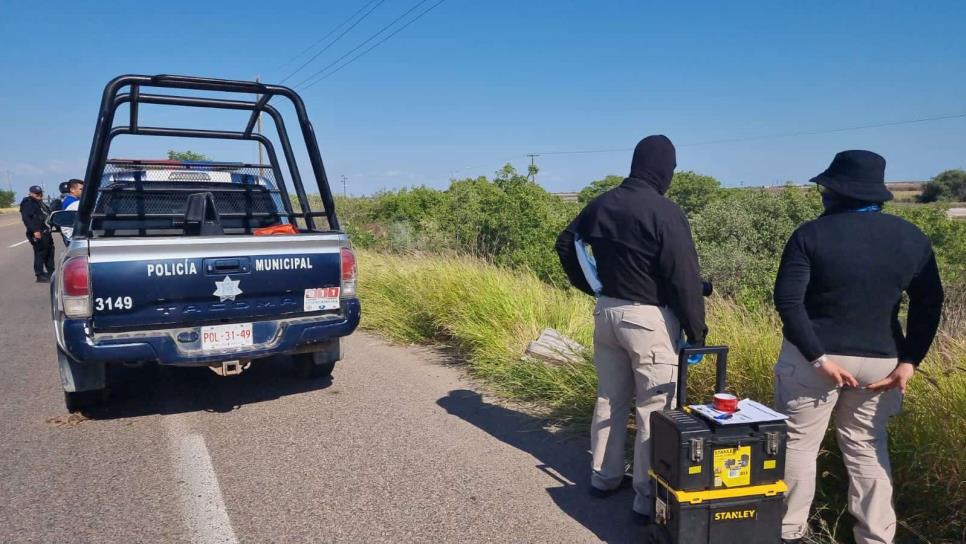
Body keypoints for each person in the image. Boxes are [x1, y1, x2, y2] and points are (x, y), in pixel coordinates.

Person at [773, 150, 944, 544]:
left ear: (835, 191)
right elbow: (929, 303)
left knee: (799, 444)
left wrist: (818, 358)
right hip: (883, 361)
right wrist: (910, 360)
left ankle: (788, 530)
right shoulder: (912, 238)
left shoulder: (810, 234)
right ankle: (875, 536)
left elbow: (788, 302)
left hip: (816, 357)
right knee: (866, 446)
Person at [555, 135, 707, 523]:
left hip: (606, 313)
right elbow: (683, 277)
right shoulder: (665, 211)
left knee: (611, 398)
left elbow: (565, 242)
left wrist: (591, 285)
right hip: (648, 321)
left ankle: (603, 477)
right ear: (664, 168)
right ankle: (644, 498)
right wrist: (697, 330)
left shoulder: (602, 203)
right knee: (655, 409)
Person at [19, 185, 56, 283]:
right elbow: (27, 218)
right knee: (40, 253)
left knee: (50, 251)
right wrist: (35, 230)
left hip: (45, 231)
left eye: (40, 193)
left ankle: (51, 272)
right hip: (37, 232)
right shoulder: (28, 202)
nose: (39, 194)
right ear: (30, 193)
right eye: (36, 193)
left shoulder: (39, 203)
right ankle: (39, 275)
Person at [58, 179, 84, 244]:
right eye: (81, 189)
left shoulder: (70, 200)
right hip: (74, 236)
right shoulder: (72, 202)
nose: (83, 191)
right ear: (72, 190)